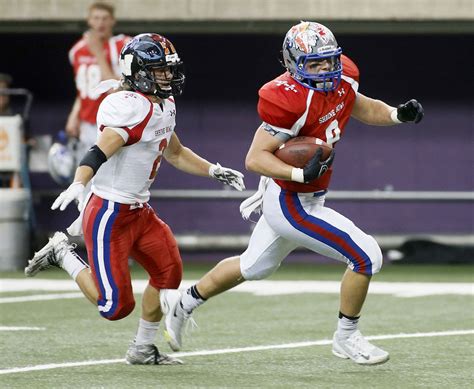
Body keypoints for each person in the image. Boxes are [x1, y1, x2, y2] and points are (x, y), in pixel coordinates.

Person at [160, 21, 424, 366]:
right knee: (366, 256)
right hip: (290, 201)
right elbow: (255, 159)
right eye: (314, 64)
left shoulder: (342, 78)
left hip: (304, 195)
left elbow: (358, 105)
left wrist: (395, 115)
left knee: (253, 267)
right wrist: (298, 172)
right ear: (293, 64)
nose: (325, 70)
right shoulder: (287, 99)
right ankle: (346, 337)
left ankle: (183, 302)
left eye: (329, 62)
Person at [24, 33, 245, 365]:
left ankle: (142, 348)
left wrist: (213, 171)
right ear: (139, 71)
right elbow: (99, 150)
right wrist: (79, 182)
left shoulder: (163, 103)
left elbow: (176, 153)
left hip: (139, 210)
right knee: (114, 307)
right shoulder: (129, 106)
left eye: (169, 69)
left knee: (168, 274)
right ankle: (62, 253)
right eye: (160, 70)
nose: (168, 76)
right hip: (108, 213)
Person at [66, 1, 130, 158]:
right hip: (87, 123)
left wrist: (98, 55)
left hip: (114, 121)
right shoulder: (77, 50)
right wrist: (74, 115)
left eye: (105, 18)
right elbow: (85, 89)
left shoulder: (124, 46)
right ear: (89, 20)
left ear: (113, 21)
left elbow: (117, 90)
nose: (100, 23)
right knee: (86, 175)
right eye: (96, 18)